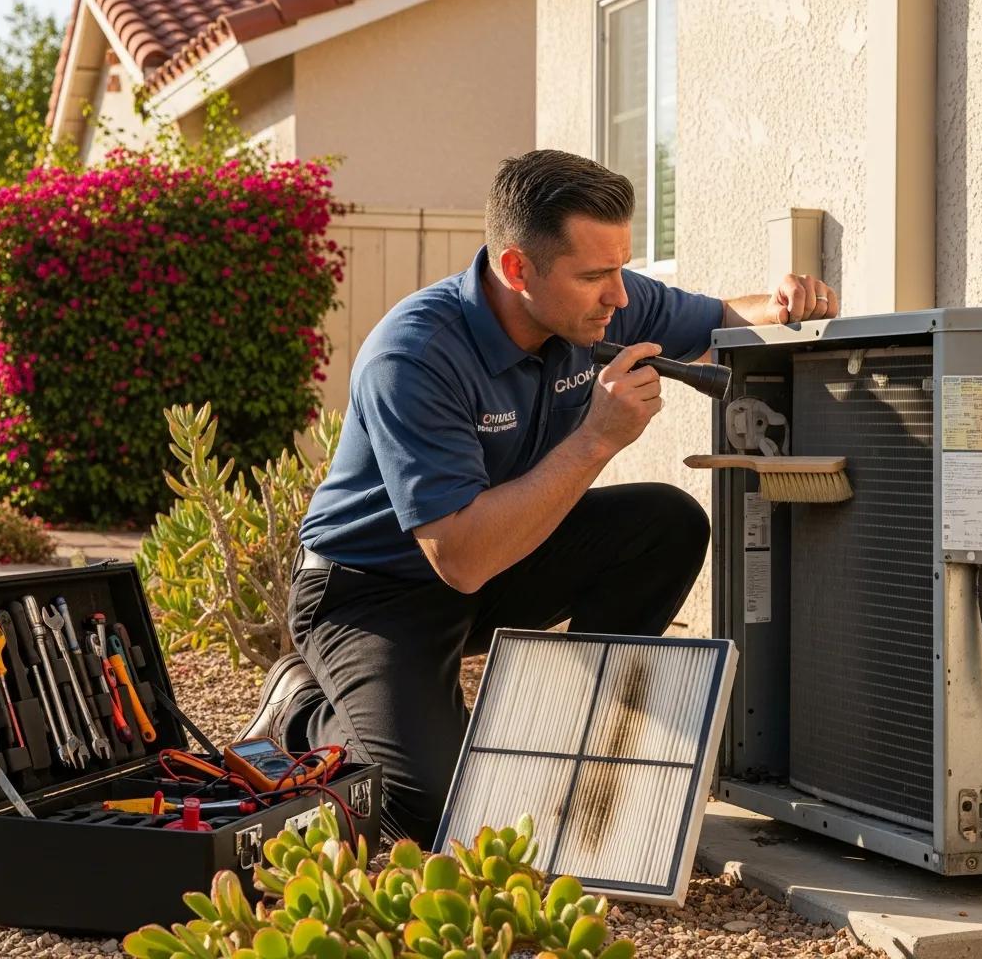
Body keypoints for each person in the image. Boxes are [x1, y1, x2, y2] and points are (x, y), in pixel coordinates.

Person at [239, 149, 839, 845]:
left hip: (497, 556)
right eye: (595, 276)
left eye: (621, 267)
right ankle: (303, 711)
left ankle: (565, 743)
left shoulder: (594, 304)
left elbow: (722, 316)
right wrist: (596, 440)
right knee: (428, 814)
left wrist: (791, 301)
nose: (619, 295)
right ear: (518, 268)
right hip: (374, 590)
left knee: (665, 524)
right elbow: (459, 558)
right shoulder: (414, 355)